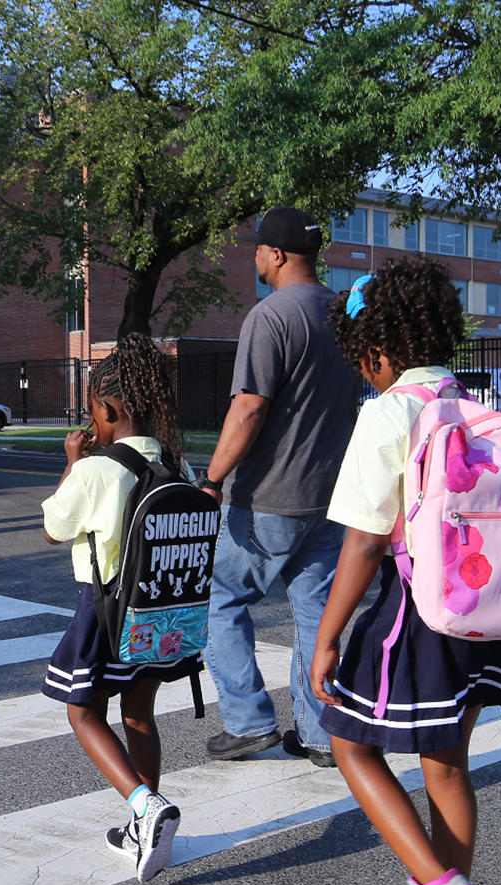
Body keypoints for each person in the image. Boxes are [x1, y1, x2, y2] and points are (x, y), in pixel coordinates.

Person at [309, 258, 501, 885]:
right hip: (490, 610)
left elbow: (363, 539)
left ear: (380, 350)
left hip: (416, 611)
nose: (364, 372)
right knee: (446, 762)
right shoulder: (476, 406)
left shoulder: (389, 411)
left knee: (350, 745)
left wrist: (327, 638)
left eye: (362, 359)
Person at [199, 207, 362, 768]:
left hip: (270, 497)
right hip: (332, 495)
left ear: (278, 254)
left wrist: (213, 479)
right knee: (316, 613)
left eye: (258, 249)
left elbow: (248, 409)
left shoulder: (270, 317)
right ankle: (320, 735)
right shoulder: (344, 315)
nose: (253, 257)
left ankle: (247, 723)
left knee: (221, 601)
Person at [41, 334, 202, 884]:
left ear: (106, 411)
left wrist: (72, 462)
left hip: (104, 610)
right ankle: (144, 824)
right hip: (159, 615)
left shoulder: (95, 470)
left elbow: (52, 529)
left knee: (82, 712)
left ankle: (144, 806)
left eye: (92, 410)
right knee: (139, 714)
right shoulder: (180, 468)